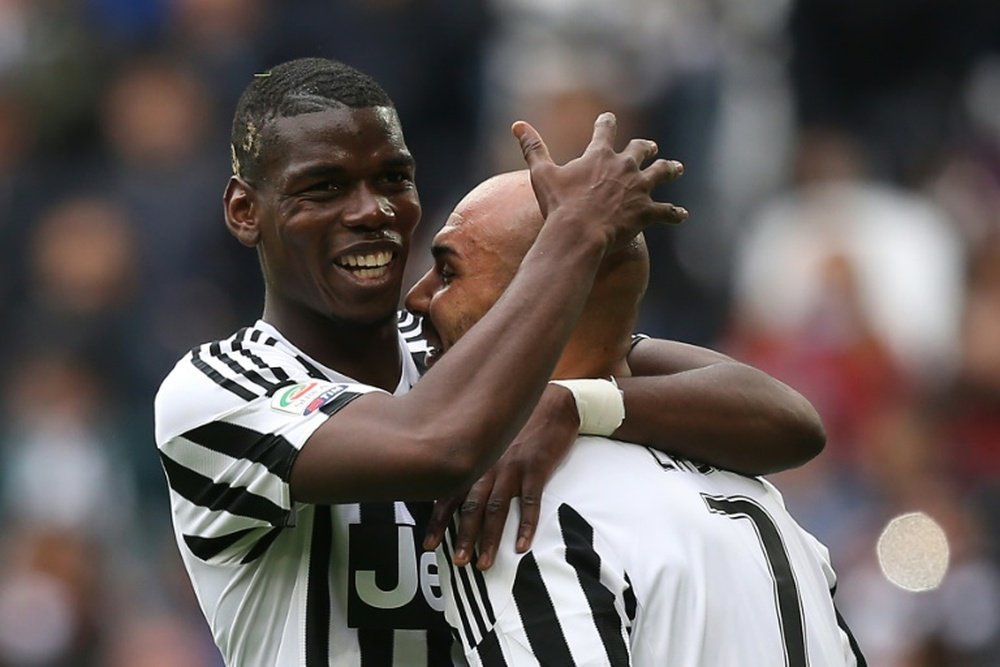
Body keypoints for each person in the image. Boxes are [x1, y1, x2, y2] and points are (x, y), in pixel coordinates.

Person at [154, 57, 823, 666]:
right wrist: (573, 233)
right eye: (324, 187)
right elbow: (437, 443)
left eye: (394, 178)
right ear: (246, 212)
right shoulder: (218, 391)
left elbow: (788, 420)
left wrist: (573, 402)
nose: (372, 211)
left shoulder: (455, 339)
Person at [406, 170, 866, 666]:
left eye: (449, 272)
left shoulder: (518, 503)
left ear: (541, 297)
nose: (416, 297)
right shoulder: (764, 500)